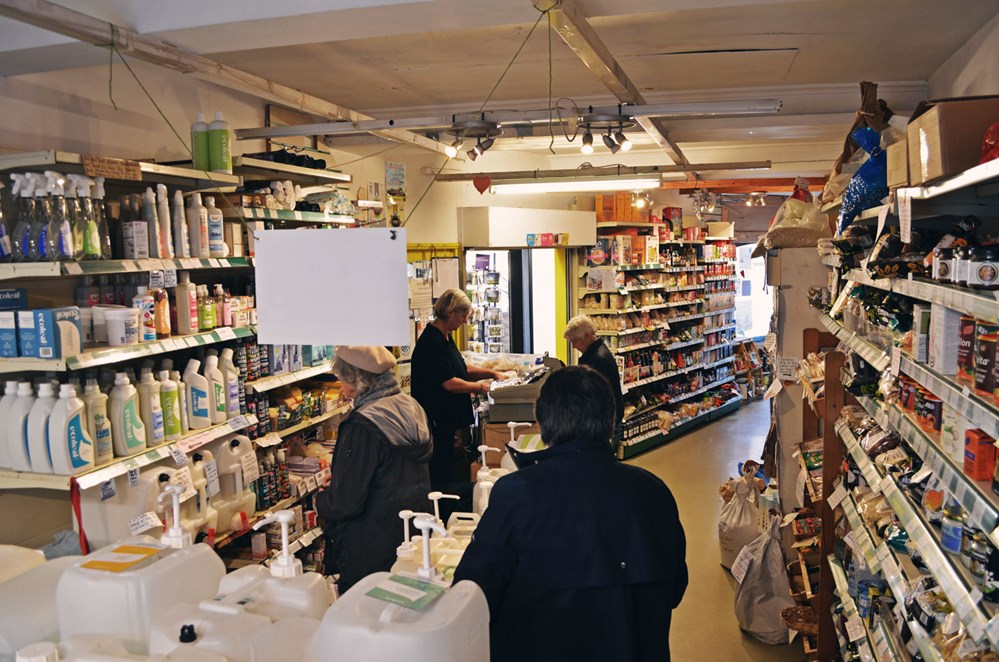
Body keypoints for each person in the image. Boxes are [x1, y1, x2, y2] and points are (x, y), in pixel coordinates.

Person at [453, 366, 687, 662]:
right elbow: (675, 588)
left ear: (542, 421)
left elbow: (473, 593)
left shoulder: (516, 494)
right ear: (611, 419)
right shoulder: (654, 492)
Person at [315, 345, 432, 594]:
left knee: (368, 616)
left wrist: (322, 500)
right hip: (412, 532)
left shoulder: (363, 424)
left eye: (344, 381)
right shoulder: (412, 407)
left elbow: (346, 502)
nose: (343, 390)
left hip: (372, 545)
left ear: (360, 380)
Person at [411, 288, 504, 515]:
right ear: (451, 312)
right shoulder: (431, 342)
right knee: (442, 475)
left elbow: (461, 369)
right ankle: (442, 515)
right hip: (439, 422)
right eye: (463, 316)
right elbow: (449, 382)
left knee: (452, 472)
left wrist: (490, 374)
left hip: (450, 422)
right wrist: (482, 387)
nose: (464, 321)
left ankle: (451, 510)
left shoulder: (445, 338)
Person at [563, 314, 624, 428]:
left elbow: (595, 397)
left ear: (587, 336)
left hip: (603, 421)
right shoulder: (596, 353)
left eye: (575, 341)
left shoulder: (598, 360)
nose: (574, 347)